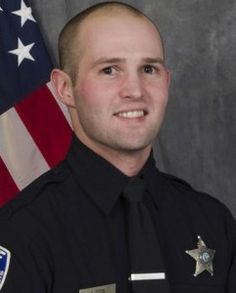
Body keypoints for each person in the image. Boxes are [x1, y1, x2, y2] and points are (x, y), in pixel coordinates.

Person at [0, 2, 235, 292]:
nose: (135, 91)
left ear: (166, 81)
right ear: (65, 88)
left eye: (149, 68)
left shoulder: (213, 221)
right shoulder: (22, 232)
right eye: (110, 70)